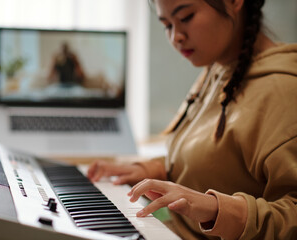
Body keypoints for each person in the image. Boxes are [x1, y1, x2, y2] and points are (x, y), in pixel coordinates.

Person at [87, 0, 297, 239]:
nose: (176, 36)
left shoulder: (284, 90)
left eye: (186, 18)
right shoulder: (218, 70)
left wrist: (216, 209)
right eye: (167, 25)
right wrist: (146, 170)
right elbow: (215, 163)